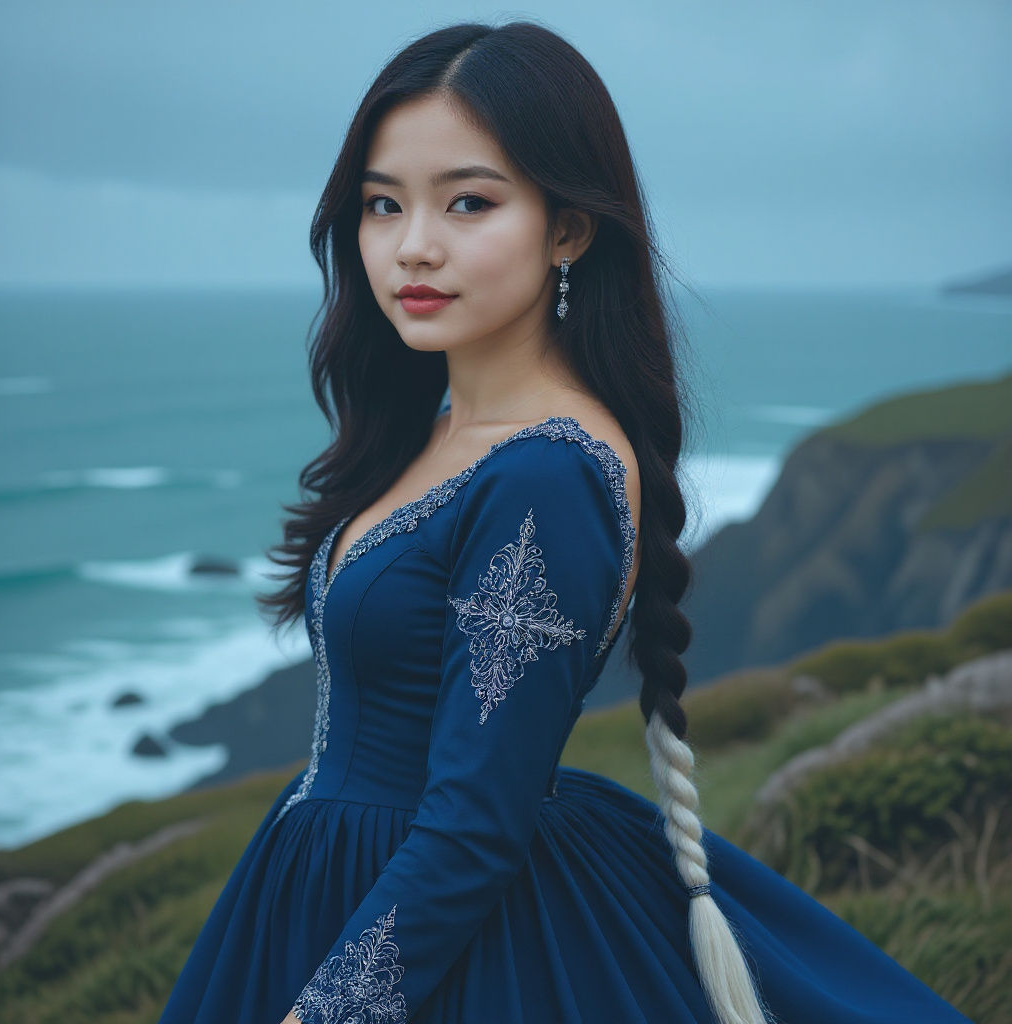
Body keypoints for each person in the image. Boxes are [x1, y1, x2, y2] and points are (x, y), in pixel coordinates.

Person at [158, 20, 973, 1024]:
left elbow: (471, 823)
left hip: (437, 940)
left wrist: (329, 1011)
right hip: (332, 890)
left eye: (468, 201)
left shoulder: (549, 473)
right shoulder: (443, 427)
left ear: (568, 228)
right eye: (382, 203)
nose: (414, 243)